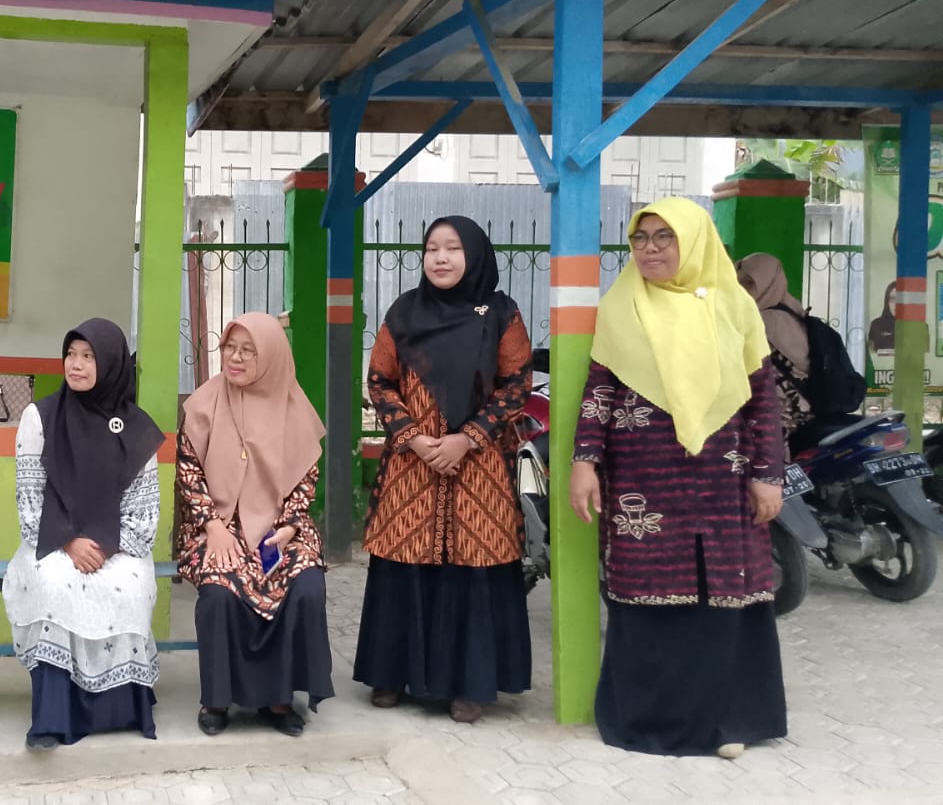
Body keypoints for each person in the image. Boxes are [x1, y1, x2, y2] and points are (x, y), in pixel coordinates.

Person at [570, 197, 786, 759]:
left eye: (665, 237)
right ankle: (649, 723)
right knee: (647, 596)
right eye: (641, 238)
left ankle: (726, 724)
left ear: (693, 242)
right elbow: (599, 392)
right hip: (644, 481)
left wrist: (768, 473)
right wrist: (584, 462)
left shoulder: (735, 307)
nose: (650, 249)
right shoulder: (621, 305)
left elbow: (763, 401)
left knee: (723, 598)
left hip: (725, 480)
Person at [353, 216, 533, 724]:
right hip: (413, 465)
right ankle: (392, 675)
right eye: (432, 248)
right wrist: (412, 436)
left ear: (473, 255)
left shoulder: (500, 314)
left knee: (473, 565)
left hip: (477, 466)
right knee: (403, 561)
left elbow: (516, 385)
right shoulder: (405, 311)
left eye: (452, 248)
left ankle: (468, 684)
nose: (440, 258)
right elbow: (380, 381)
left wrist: (467, 438)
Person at [3, 318, 164, 750]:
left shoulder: (137, 428)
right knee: (55, 584)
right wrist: (70, 542)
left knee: (128, 587)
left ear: (111, 363)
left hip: (118, 547)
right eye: (71, 354)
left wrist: (104, 546)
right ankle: (53, 718)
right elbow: (30, 502)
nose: (76, 365)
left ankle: (119, 710)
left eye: (89, 356)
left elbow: (144, 515)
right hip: (53, 541)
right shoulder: (40, 418)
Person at [177, 312, 332, 738]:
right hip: (218, 525)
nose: (236, 358)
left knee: (304, 585)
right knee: (219, 590)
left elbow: (305, 482)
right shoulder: (204, 404)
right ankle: (217, 699)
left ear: (272, 357)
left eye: (249, 351)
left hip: (280, 529)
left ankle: (278, 698)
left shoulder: (294, 408)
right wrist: (213, 527)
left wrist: (287, 529)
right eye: (230, 348)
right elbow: (189, 474)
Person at [736, 253, 814, 447]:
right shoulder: (792, 309)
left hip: (781, 417)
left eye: (749, 283)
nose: (742, 289)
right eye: (739, 282)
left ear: (769, 282)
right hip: (804, 410)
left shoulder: (764, 321)